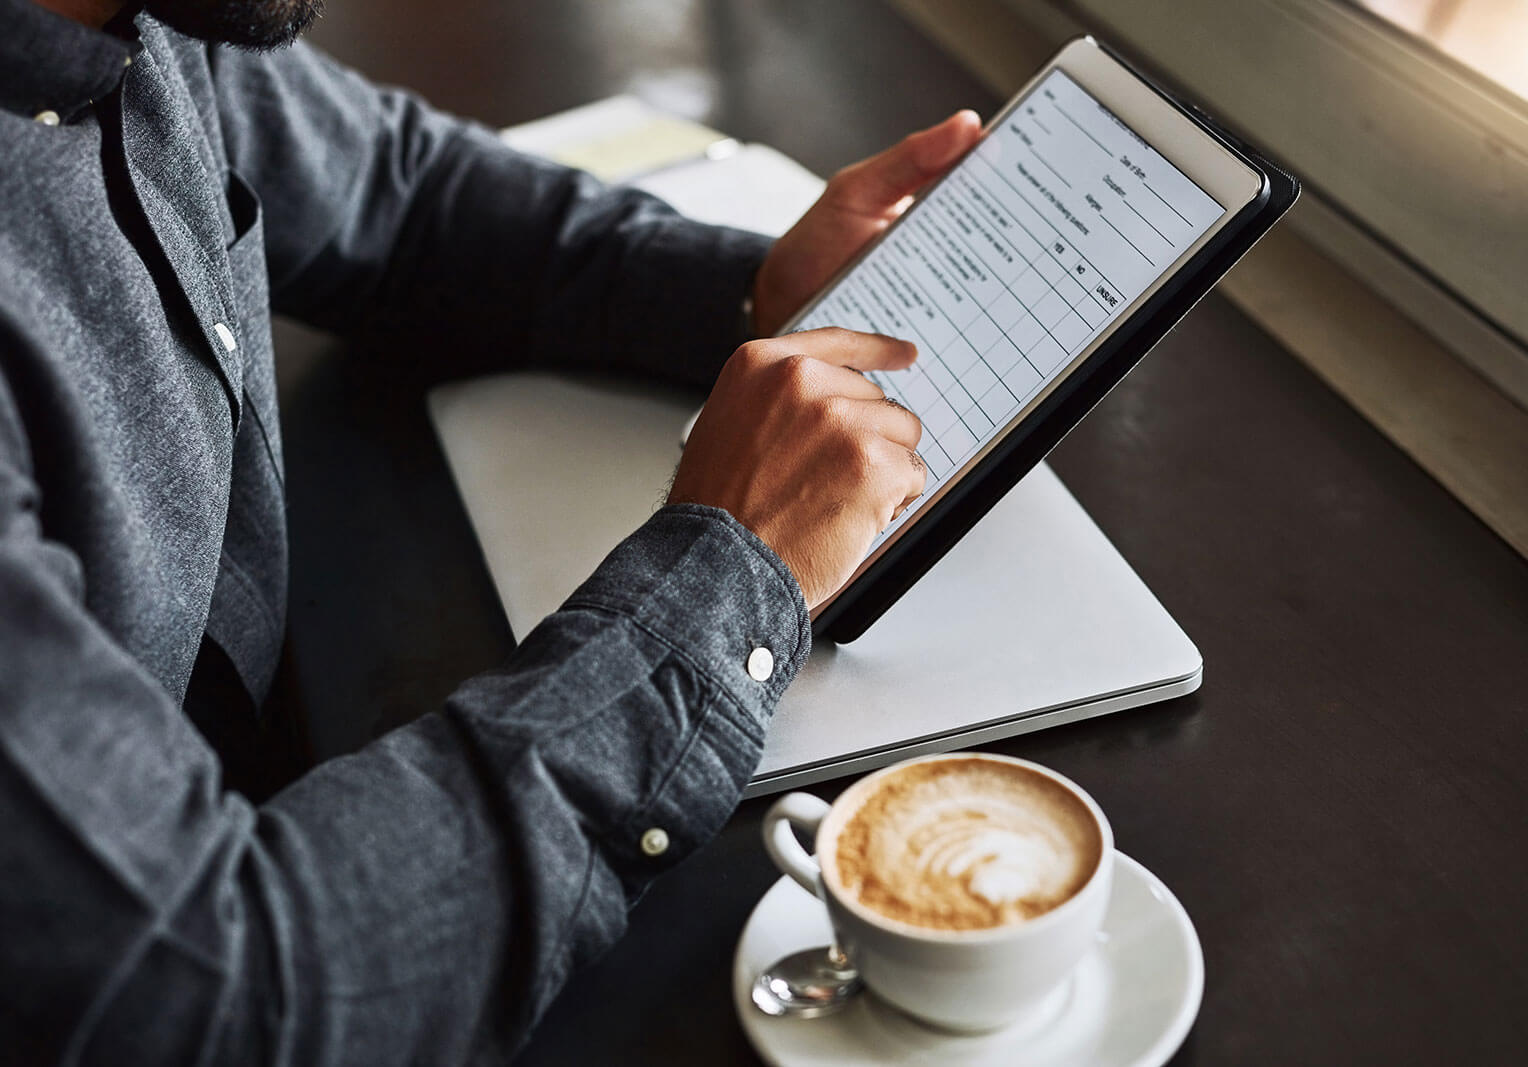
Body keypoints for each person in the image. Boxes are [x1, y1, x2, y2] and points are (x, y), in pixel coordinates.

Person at [0, 0, 982, 1057]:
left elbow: (396, 189)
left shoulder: (145, 20)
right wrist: (727, 570)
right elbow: (223, 999)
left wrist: (751, 291)